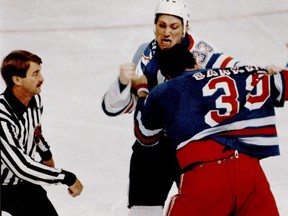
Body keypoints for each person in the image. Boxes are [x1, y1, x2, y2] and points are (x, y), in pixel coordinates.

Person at [102, 0, 246, 215]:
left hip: (192, 148)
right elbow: (112, 108)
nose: (167, 33)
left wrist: (270, 73)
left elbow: (241, 74)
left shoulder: (204, 54)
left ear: (186, 27)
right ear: (154, 26)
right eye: (162, 26)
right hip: (152, 149)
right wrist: (121, 83)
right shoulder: (144, 54)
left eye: (174, 27)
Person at [132, 44, 288, 216]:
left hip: (205, 178)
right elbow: (285, 85)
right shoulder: (243, 75)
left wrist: (142, 92)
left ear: (167, 75)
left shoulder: (164, 90)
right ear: (195, 63)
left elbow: (146, 137)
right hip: (249, 173)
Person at [0, 50, 84, 216]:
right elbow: (21, 166)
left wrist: (46, 154)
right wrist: (66, 177)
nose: (42, 79)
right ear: (17, 80)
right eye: (35, 74)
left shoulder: (34, 99)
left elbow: (35, 130)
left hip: (22, 184)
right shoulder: (2, 118)